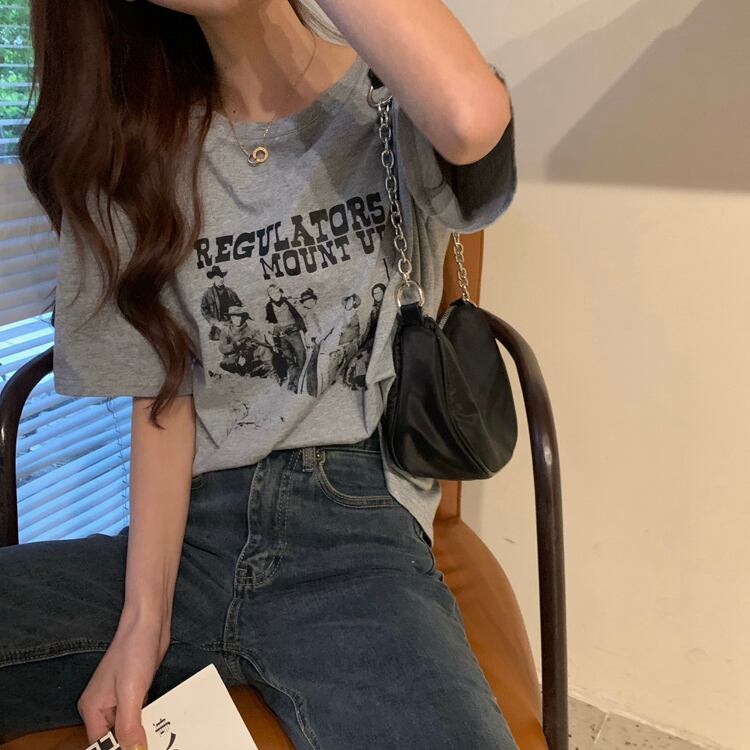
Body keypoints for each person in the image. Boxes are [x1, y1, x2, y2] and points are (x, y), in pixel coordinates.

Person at [0, 1, 518, 748]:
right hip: (189, 536)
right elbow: (165, 397)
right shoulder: (131, 148)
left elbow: (471, 117)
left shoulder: (391, 96)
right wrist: (145, 620)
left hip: (359, 532)